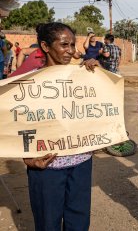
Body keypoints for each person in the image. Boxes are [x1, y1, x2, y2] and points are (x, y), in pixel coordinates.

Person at [9, 22, 99, 230]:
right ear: (45, 46)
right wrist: (27, 156)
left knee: (79, 221)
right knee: (48, 223)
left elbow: (100, 106)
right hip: (47, 166)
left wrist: (96, 72)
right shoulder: (29, 83)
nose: (70, 50)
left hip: (81, 160)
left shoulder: (82, 76)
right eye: (64, 45)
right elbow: (15, 120)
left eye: (73, 45)